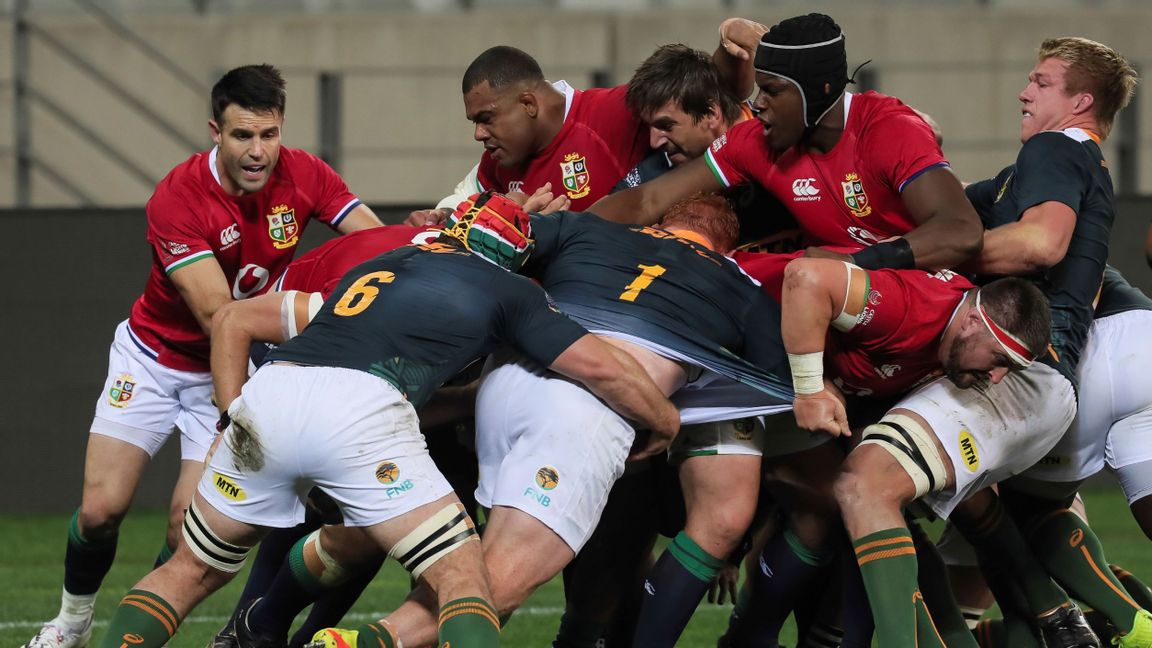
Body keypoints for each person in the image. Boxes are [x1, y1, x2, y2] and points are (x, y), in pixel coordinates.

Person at [93, 192, 680, 648]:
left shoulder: (387, 264)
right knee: (463, 581)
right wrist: (664, 420)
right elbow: (606, 370)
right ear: (515, 255)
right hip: (360, 411)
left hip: (269, 397)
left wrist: (231, 413)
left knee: (189, 570)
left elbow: (238, 320)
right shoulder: (508, 289)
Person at [313, 193, 795, 648]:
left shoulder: (586, 228)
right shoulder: (742, 285)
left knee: (482, 565)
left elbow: (494, 235)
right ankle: (369, 641)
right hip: (584, 411)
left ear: (658, 224)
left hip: (504, 384)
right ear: (730, 248)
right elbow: (782, 378)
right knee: (502, 581)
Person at [22, 63, 383, 648]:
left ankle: (139, 623)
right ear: (214, 130)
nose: (258, 151)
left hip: (232, 368)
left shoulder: (306, 174)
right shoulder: (178, 197)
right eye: (243, 135)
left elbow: (373, 243)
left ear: (281, 128)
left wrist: (411, 248)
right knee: (99, 512)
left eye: (269, 135)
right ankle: (72, 621)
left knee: (187, 528)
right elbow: (221, 316)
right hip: (155, 360)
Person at [590, 13, 984, 274]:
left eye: (773, 91)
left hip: (916, 287)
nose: (758, 103)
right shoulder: (752, 143)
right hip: (825, 295)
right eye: (759, 89)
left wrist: (854, 264)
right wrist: (551, 230)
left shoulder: (888, 128)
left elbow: (962, 231)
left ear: (818, 91)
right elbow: (647, 200)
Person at [406, 44, 649, 225]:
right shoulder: (497, 161)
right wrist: (440, 216)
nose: (478, 134)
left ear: (528, 104)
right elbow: (459, 203)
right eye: (475, 122)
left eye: (486, 119)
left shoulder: (616, 112)